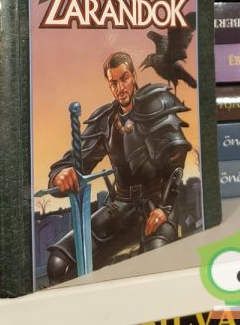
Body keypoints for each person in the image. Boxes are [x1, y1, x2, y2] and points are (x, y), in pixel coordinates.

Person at [46, 51, 192, 284]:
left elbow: (176, 165)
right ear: (109, 85)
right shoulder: (105, 120)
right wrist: (59, 175)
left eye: (124, 79)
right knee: (58, 263)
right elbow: (74, 161)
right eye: (113, 83)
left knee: (158, 258)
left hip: (158, 201)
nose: (120, 88)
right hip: (120, 205)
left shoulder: (156, 104)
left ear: (133, 76)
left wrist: (164, 208)